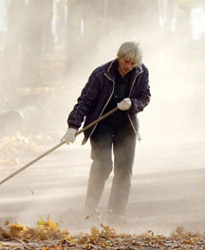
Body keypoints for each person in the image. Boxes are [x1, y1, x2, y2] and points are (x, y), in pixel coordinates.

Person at [61, 41, 151, 224]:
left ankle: (116, 213)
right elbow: (84, 101)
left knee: (124, 169)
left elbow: (145, 97)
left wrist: (133, 103)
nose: (128, 66)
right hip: (101, 124)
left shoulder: (142, 73)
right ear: (119, 56)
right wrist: (73, 126)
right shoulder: (101, 74)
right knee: (103, 165)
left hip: (126, 125)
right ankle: (90, 209)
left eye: (133, 64)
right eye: (126, 61)